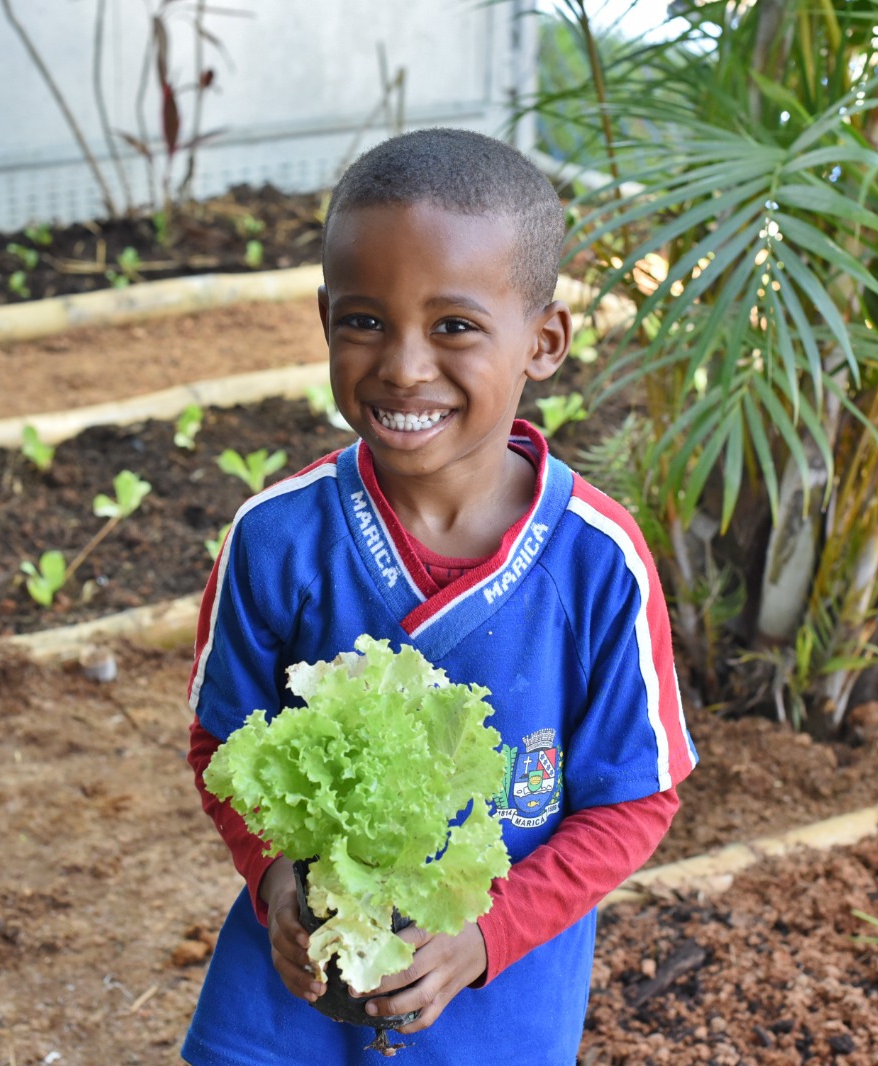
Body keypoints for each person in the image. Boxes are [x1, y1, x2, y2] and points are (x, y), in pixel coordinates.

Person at [180, 127, 698, 1065]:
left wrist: (489, 932)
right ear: (325, 317)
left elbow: (635, 799)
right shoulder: (278, 536)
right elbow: (223, 743)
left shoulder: (599, 564)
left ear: (544, 341)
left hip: (494, 1019)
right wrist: (274, 881)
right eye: (365, 320)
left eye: (454, 326)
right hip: (284, 1006)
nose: (403, 366)